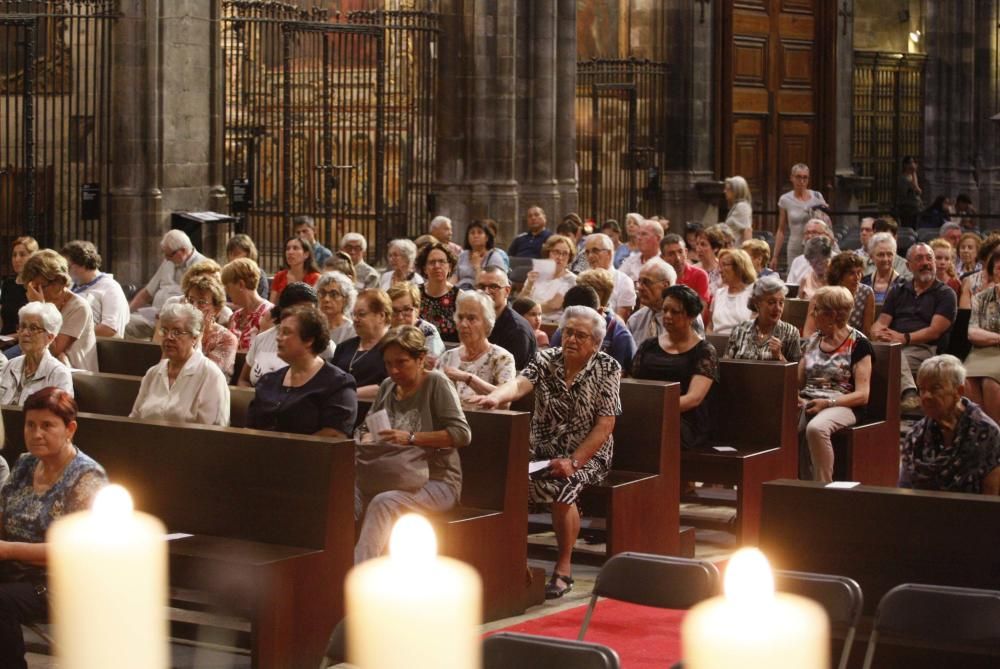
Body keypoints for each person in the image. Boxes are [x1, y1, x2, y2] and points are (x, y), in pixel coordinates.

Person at [472, 306, 621, 598]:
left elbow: (606, 424)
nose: (572, 340)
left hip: (588, 454)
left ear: (595, 343)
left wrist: (574, 461)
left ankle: (563, 570)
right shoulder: (546, 359)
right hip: (542, 449)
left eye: (581, 335)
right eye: (567, 332)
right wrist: (494, 397)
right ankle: (510, 563)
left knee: (564, 488)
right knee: (503, 481)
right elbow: (518, 384)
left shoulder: (607, 368)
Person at [0, 387, 107, 669]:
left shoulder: (87, 476)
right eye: (30, 425)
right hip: (14, 570)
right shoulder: (24, 464)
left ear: (70, 428)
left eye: (47, 426)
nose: (36, 434)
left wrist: (8, 550)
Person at [354, 326, 471, 563]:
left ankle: (357, 576)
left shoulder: (436, 384)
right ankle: (330, 568)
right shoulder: (387, 386)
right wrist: (367, 436)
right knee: (343, 494)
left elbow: (462, 434)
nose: (394, 370)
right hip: (387, 475)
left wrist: (410, 437)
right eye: (388, 364)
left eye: (402, 362)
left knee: (384, 502)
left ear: (420, 359)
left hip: (436, 480)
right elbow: (366, 427)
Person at [797, 286, 873, 482]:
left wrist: (828, 403)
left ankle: (823, 489)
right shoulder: (814, 341)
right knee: (785, 423)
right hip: (810, 400)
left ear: (833, 315)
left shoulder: (859, 344)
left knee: (816, 428)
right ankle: (796, 485)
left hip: (843, 404)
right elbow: (798, 381)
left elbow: (863, 395)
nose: (812, 314)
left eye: (817, 309)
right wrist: (796, 397)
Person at [872, 243, 957, 414]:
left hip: (925, 348)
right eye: (919, 259)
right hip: (895, 344)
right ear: (908, 265)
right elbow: (881, 322)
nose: (925, 263)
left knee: (889, 357)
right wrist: (877, 333)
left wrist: (904, 338)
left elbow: (934, 331)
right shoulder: (898, 291)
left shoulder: (946, 294)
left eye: (929, 258)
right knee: (873, 354)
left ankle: (909, 394)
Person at [248, 305, 357, 436]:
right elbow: (250, 429)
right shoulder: (268, 380)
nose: (278, 337)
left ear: (309, 340)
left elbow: (333, 436)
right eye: (279, 331)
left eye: (286, 332)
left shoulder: (338, 384)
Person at [632, 285, 718, 449]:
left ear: (691, 316)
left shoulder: (704, 351)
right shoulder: (648, 345)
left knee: (652, 429)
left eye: (675, 312)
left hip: (684, 420)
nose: (667, 316)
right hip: (647, 412)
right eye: (665, 310)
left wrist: (658, 410)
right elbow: (633, 382)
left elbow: (694, 398)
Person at [900, 355, 1000, 494]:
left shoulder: (987, 433)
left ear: (958, 392)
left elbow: (992, 500)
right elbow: (905, 492)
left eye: (935, 388)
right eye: (922, 389)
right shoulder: (916, 436)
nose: (926, 396)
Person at [130, 302, 230, 426]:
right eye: (164, 331)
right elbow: (134, 419)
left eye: (177, 332)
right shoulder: (153, 373)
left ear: (194, 337)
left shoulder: (211, 376)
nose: (168, 337)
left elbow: (213, 433)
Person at [238, 282, 336, 387]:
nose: (304, 316)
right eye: (299, 311)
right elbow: (244, 380)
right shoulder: (262, 339)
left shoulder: (325, 346)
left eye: (310, 311)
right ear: (283, 310)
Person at [19, 249, 97, 371]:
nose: (37, 292)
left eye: (41, 286)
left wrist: (39, 306)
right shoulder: (44, 302)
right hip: (42, 370)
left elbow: (52, 350)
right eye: (33, 287)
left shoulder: (79, 307)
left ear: (60, 282)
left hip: (75, 378)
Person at [435, 291, 515, 403]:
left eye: (471, 318)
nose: (463, 324)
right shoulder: (448, 357)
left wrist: (468, 378)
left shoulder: (501, 358)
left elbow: (506, 401)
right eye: (460, 317)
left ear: (487, 323)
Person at [126, 229, 205, 339]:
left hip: (178, 323)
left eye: (169, 255)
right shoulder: (168, 262)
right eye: (164, 254)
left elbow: (199, 304)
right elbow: (147, 293)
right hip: (153, 319)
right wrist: (127, 311)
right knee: (123, 323)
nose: (166, 258)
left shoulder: (202, 266)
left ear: (183, 250)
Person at [550, 279, 637, 369]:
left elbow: (621, 376)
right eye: (570, 330)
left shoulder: (620, 336)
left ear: (599, 312)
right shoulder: (563, 331)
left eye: (581, 334)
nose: (572, 338)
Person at [0, 303, 73, 405]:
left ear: (50, 338)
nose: (25, 333)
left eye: (33, 328)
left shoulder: (58, 374)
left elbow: (60, 415)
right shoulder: (10, 365)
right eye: (22, 326)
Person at [61, 240, 129, 338]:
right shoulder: (72, 286)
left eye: (67, 267)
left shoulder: (110, 288)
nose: (65, 272)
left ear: (82, 265)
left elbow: (109, 329)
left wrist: (70, 332)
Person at [333, 288, 392, 400]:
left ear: (381, 316)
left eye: (361, 314)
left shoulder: (393, 348)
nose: (355, 319)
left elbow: (389, 387)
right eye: (353, 314)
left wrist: (348, 395)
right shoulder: (344, 347)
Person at [725, 276, 802, 362]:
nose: (778, 308)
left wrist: (779, 356)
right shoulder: (739, 330)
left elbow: (795, 373)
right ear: (757, 303)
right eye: (771, 302)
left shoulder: (790, 333)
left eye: (781, 302)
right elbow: (727, 365)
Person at [964, 250, 1000, 423]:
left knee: (989, 383)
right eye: (999, 268)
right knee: (966, 381)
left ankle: (995, 435)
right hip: (980, 352)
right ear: (993, 272)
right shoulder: (981, 298)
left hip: (996, 354)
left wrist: (988, 336)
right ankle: (978, 432)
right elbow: (972, 332)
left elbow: (980, 333)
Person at [477, 267, 537, 370]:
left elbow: (515, 378)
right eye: (481, 287)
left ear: (507, 291)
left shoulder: (518, 330)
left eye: (493, 286)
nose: (486, 292)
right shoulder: (474, 321)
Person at [803, 252, 875, 337]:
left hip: (854, 343)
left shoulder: (866, 293)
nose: (857, 277)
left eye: (859, 272)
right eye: (851, 273)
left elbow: (866, 331)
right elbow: (808, 332)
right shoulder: (822, 295)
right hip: (823, 343)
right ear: (839, 276)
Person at [773, 163, 828, 269]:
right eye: (798, 177)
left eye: (805, 178)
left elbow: (825, 224)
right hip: (795, 246)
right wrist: (775, 256)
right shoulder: (785, 199)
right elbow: (781, 230)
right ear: (792, 178)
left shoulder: (817, 196)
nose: (802, 181)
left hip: (815, 246)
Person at [184, 274, 238, 378]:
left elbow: (206, 375)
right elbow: (167, 365)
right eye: (190, 301)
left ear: (216, 309)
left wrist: (199, 334)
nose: (193, 307)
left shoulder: (227, 339)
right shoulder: (179, 331)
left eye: (201, 302)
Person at [519, 234, 577, 323]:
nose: (560, 257)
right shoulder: (537, 273)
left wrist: (526, 310)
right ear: (548, 253)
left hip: (551, 325)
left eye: (565, 254)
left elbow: (553, 305)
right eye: (556, 252)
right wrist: (529, 284)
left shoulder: (571, 280)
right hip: (527, 322)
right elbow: (520, 302)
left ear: (569, 257)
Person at [222, 258, 272, 352]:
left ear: (241, 284)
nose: (226, 292)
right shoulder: (234, 317)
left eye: (228, 287)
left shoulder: (269, 314)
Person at [583, 233, 636, 320]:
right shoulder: (583, 280)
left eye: (595, 251)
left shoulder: (624, 282)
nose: (590, 256)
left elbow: (620, 322)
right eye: (587, 252)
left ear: (609, 253)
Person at [387, 283, 446, 359]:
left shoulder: (428, 332)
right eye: (394, 310)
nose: (400, 317)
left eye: (407, 309)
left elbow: (433, 365)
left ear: (417, 309)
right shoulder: (385, 331)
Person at [706, 248, 756, 336]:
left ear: (739, 267)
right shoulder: (718, 294)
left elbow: (756, 329)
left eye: (724, 265)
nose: (720, 271)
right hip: (718, 345)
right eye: (719, 266)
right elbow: (710, 326)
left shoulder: (753, 293)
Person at [627, 257, 677, 344]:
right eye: (639, 282)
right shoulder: (635, 320)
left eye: (646, 282)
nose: (640, 287)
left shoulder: (686, 318)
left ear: (666, 285)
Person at [417, 242, 460, 342]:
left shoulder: (460, 297)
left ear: (449, 267)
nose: (437, 266)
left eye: (441, 261)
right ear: (425, 269)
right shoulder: (415, 294)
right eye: (432, 262)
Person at [454, 220, 508, 290]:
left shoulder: (494, 256)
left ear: (486, 238)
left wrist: (477, 266)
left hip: (480, 293)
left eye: (479, 232)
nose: (475, 236)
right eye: (472, 233)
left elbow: (486, 285)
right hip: (460, 290)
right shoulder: (463, 255)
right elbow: (455, 277)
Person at [1, 237, 38, 336]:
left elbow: (37, 325)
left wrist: (11, 337)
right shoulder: (8, 284)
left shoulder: (36, 286)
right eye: (14, 255)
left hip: (24, 340)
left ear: (33, 257)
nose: (17, 259)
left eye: (22, 255)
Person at [270, 236, 321, 303]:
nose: (290, 252)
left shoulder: (316, 278)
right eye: (288, 249)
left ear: (306, 254)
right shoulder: (279, 276)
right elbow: (272, 305)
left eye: (295, 248)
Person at [661, 234, 710, 303]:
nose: (677, 258)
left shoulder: (699, 275)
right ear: (663, 257)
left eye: (680, 252)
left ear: (686, 252)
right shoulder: (658, 277)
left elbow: (702, 307)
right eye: (671, 254)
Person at [786, 219, 836, 285]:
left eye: (814, 232)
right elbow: (790, 285)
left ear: (826, 235)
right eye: (807, 233)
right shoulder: (797, 261)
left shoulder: (836, 260)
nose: (810, 236)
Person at [860, 232, 903, 309]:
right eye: (881, 255)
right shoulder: (864, 282)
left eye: (889, 254)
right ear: (871, 257)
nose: (885, 259)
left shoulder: (903, 285)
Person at [317, 271, 357, 344]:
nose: (326, 299)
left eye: (334, 294)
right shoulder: (312, 327)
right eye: (322, 293)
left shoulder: (352, 331)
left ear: (346, 299)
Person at [226, 233, 270, 298]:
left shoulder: (259, 275)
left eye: (237, 253)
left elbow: (260, 303)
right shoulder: (226, 276)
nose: (232, 258)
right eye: (230, 254)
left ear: (249, 253)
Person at [619, 218, 663, 282]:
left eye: (644, 234)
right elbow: (617, 280)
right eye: (638, 234)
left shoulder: (664, 261)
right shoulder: (631, 260)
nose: (639, 238)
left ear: (658, 239)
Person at [797, 236, 833, 301]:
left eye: (820, 261)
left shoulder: (838, 278)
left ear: (828, 257)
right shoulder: (805, 280)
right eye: (812, 262)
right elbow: (800, 307)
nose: (817, 266)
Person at [723, 175, 753, 242]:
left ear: (736, 191)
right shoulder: (736, 206)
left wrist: (745, 251)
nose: (724, 191)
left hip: (737, 250)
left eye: (728, 189)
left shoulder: (742, 207)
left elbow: (747, 231)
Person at [896, 155, 922, 229]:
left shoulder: (913, 176)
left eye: (914, 162)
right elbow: (916, 189)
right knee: (908, 227)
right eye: (910, 163)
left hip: (915, 207)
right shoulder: (903, 178)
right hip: (907, 208)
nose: (912, 165)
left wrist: (914, 173)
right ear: (905, 165)